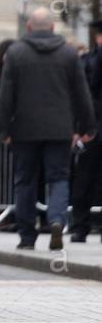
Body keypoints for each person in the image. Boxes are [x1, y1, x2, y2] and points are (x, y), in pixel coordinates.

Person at [0, 8, 96, 251]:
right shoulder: (68, 54)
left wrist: (3, 128)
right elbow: (81, 93)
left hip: (24, 129)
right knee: (59, 178)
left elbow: (5, 95)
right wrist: (87, 125)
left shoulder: (16, 53)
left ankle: (27, 236)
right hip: (60, 128)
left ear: (29, 27)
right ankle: (57, 220)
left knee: (25, 181)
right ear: (52, 27)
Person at [71, 20, 102, 242]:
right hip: (91, 126)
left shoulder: (88, 60)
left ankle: (83, 227)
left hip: (91, 124)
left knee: (88, 177)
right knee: (85, 177)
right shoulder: (88, 61)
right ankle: (80, 226)